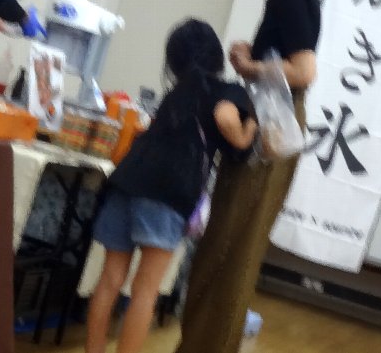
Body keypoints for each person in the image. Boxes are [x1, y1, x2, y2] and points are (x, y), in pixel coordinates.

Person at [176, 0, 321, 353]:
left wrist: (250, 66)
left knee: (229, 248)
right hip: (271, 125)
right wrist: (253, 60)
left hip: (272, 128)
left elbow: (304, 71)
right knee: (229, 246)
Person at [86, 19, 258, 353]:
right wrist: (249, 128)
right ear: (215, 56)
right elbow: (227, 120)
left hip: (127, 181)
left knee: (109, 280)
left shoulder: (175, 95)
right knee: (145, 290)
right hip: (167, 194)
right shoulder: (227, 91)